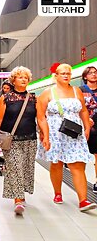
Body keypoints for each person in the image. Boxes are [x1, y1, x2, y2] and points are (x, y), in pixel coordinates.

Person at [37, 63, 96, 212]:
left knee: (78, 164)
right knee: (57, 163)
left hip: (75, 132)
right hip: (56, 133)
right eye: (62, 73)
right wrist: (45, 135)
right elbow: (41, 116)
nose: (66, 75)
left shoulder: (76, 91)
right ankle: (57, 193)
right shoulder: (47, 93)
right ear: (56, 76)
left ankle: (83, 200)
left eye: (68, 73)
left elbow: (83, 110)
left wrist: (87, 127)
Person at [0, 66, 48, 215]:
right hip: (12, 140)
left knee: (26, 169)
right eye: (20, 77)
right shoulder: (6, 98)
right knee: (16, 167)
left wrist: (45, 135)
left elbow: (41, 119)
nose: (23, 79)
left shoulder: (34, 98)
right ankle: (18, 199)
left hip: (30, 139)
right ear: (13, 80)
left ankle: (20, 194)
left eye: (26, 77)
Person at [80, 66, 97, 193]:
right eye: (90, 73)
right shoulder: (80, 90)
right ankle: (81, 182)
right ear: (85, 77)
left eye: (95, 72)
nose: (94, 75)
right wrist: (85, 121)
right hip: (84, 126)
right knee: (82, 156)